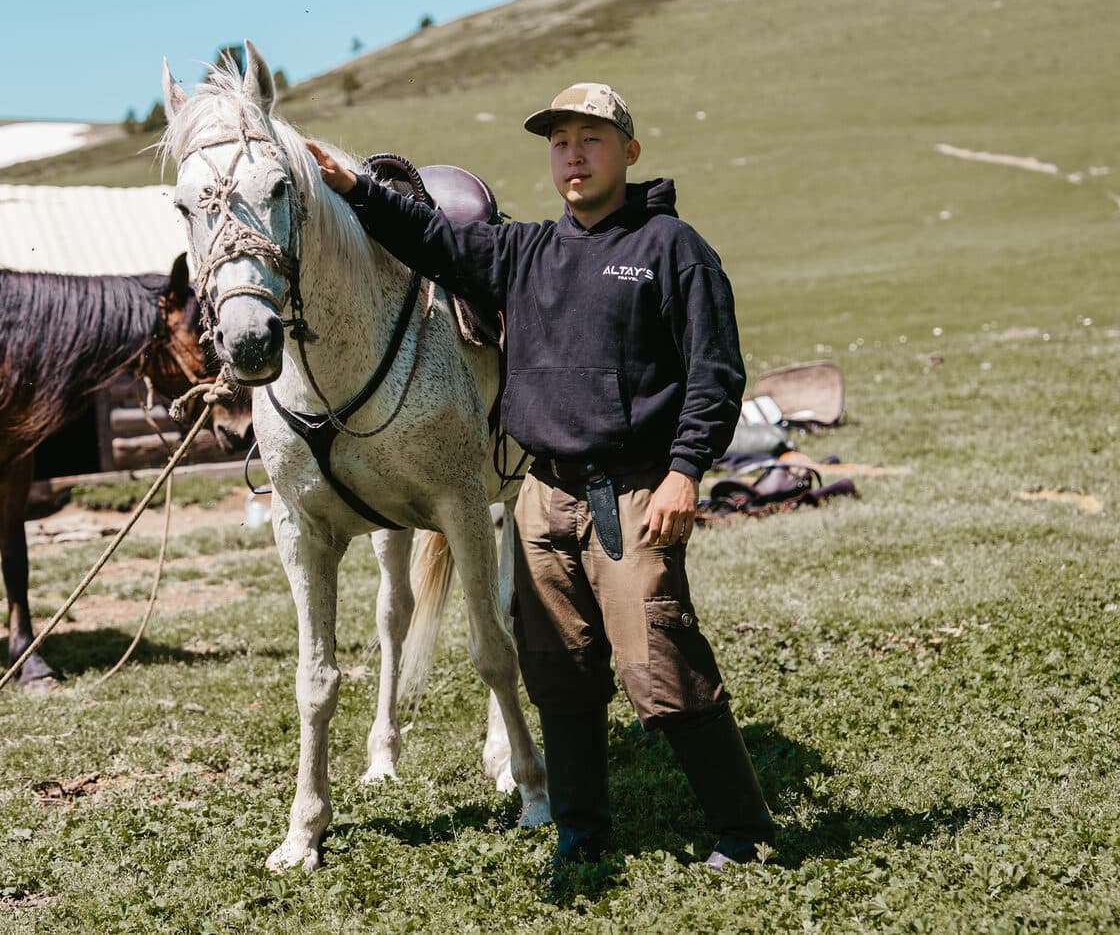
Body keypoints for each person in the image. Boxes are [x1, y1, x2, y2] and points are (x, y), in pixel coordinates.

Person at [305, 82, 774, 873]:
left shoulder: (672, 248)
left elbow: (716, 373)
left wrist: (685, 472)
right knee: (557, 676)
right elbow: (432, 243)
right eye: (560, 142)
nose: (574, 156)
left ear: (628, 151)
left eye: (591, 139)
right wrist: (355, 187)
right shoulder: (526, 252)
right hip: (539, 493)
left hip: (631, 492)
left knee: (660, 662)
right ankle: (581, 834)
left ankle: (744, 831)